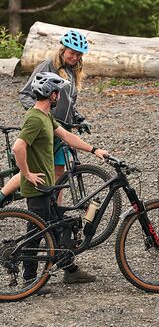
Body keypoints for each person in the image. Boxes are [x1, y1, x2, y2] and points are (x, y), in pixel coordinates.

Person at [12, 71, 108, 292]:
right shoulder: (35, 118)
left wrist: (94, 150)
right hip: (37, 186)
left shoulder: (46, 116)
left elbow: (67, 136)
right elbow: (18, 148)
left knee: (56, 226)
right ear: (51, 94)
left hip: (46, 185)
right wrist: (27, 174)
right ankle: (29, 280)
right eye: (57, 93)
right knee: (35, 232)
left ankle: (70, 269)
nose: (59, 96)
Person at [0, 29, 90, 207]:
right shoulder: (47, 66)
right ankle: (2, 195)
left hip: (62, 129)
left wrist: (80, 119)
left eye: (79, 55)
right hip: (45, 128)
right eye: (72, 53)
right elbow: (25, 94)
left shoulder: (73, 71)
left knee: (59, 172)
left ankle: (55, 210)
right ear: (63, 50)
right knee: (38, 167)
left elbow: (70, 103)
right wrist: (41, 114)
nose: (75, 57)